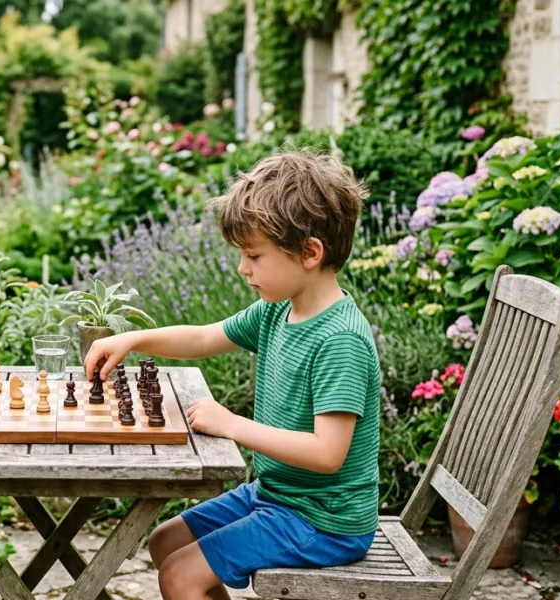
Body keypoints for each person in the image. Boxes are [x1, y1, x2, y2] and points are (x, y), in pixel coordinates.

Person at [84, 152, 381, 600]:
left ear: (309, 253)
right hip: (279, 496)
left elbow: (327, 454)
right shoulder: (278, 310)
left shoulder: (340, 340)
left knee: (180, 575)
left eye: (253, 256)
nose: (243, 269)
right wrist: (132, 339)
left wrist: (231, 425)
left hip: (324, 520)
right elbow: (205, 338)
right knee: (165, 542)